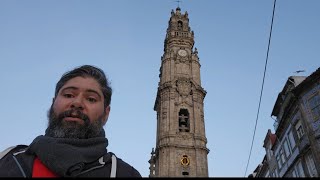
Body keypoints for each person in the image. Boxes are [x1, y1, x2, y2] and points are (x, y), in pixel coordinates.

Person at [0, 65, 142, 177]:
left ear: (106, 114)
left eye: (91, 99)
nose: (77, 102)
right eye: (68, 95)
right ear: (52, 103)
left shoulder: (123, 173)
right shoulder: (8, 160)